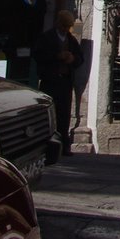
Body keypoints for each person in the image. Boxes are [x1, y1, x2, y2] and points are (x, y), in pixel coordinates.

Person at [32, 9, 83, 157]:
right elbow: (38, 55)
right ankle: (46, 145)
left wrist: (72, 59)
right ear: (58, 24)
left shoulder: (71, 40)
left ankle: (63, 146)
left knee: (64, 114)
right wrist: (56, 56)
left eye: (67, 27)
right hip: (50, 81)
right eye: (63, 26)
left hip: (65, 82)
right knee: (49, 114)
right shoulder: (46, 38)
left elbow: (80, 58)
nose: (65, 29)